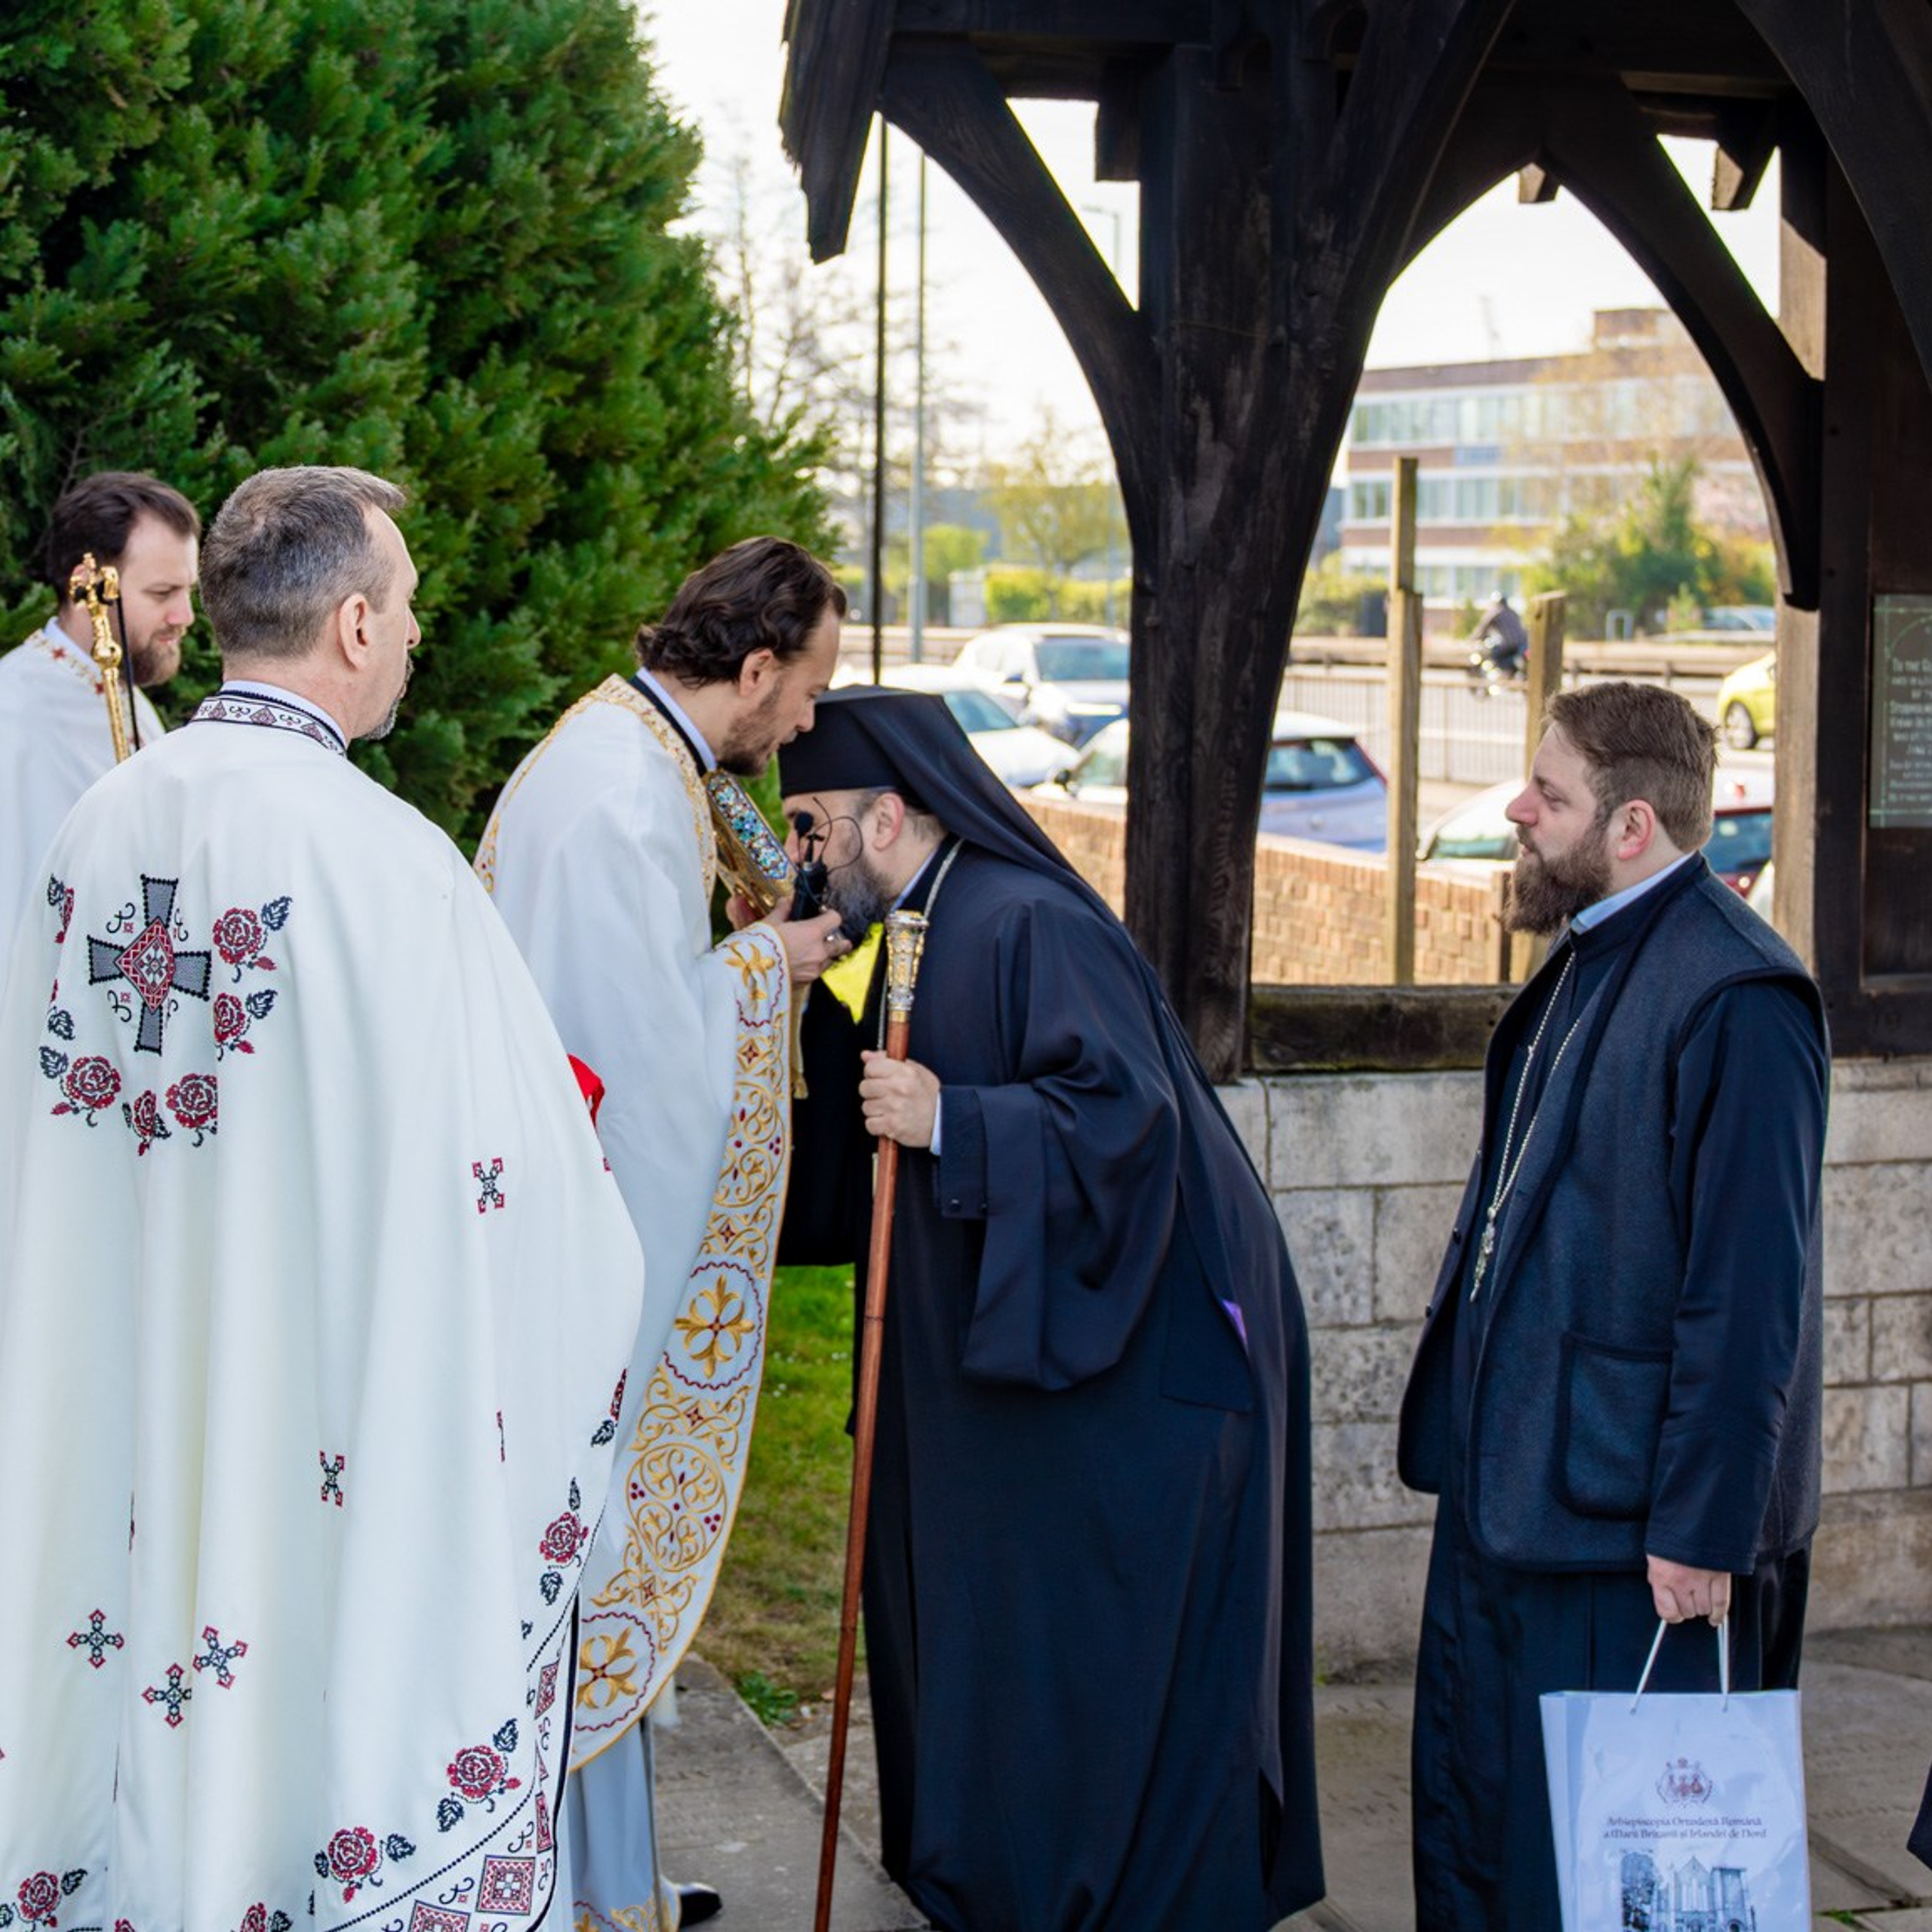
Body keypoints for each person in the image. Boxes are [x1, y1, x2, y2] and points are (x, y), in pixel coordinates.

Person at [0, 466, 644, 1927]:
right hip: (316, 1421)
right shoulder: (395, 872)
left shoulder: (96, 831)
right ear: (354, 625)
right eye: (407, 606)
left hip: (128, 1376)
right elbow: (535, 1208)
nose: (414, 635)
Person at [773, 685, 1324, 1932]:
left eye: (811, 828)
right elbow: (856, 1145)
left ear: (888, 816)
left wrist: (957, 1119)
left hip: (1122, 1381)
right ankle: (984, 1876)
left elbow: (1128, 1130)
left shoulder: (1023, 923)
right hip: (982, 1373)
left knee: (1071, 1660)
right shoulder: (921, 927)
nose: (801, 856)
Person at [1397, 680, 1829, 1930]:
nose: (1520, 812)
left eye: (1552, 794)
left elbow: (1752, 1299)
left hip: (1629, 1537)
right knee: (1477, 1847)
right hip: (1509, 1496)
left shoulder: (1742, 998)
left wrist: (1702, 1528)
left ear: (1632, 825)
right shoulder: (1591, 946)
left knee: (1593, 1885)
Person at [475, 535, 849, 1929]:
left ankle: (609, 1879)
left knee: (588, 1563)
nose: (809, 721)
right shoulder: (623, 791)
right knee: (577, 1552)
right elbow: (639, 1066)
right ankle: (565, 1888)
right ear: (751, 669)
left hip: (567, 1238)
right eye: (805, 689)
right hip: (580, 1259)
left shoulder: (632, 754)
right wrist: (770, 966)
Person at [0, 471, 201, 995]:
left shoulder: (133, 706)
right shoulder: (13, 715)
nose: (185, 616)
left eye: (188, 591)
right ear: (86, 586)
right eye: (163, 593)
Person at [1471, 590, 1529, 678]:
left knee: (1493, 655)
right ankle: (1511, 671)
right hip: (1523, 643)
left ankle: (1504, 673)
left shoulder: (1495, 612)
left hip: (1509, 644)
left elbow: (1482, 627)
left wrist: (1473, 638)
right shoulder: (1513, 612)